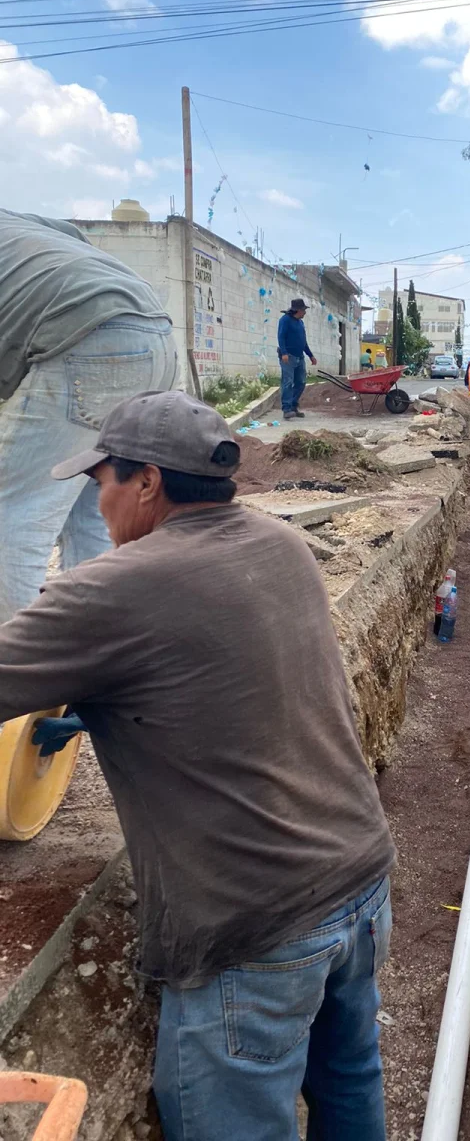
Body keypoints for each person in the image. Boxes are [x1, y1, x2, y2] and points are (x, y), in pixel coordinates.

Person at [0, 391, 396, 1141]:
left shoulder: (112, 590)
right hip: (362, 881)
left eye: (101, 481)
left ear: (146, 481)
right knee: (349, 1080)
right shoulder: (281, 545)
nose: (98, 500)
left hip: (256, 930)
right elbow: (229, 678)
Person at [0, 208, 177, 623]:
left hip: (84, 340)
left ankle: (17, 672)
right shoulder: (17, 223)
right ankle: (92, 649)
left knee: (13, 522)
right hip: (153, 332)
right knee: (91, 511)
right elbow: (71, 234)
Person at [277, 297, 317, 420]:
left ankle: (293, 405)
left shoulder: (300, 323)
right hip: (288, 357)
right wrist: (284, 352)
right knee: (288, 382)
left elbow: (303, 341)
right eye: (303, 310)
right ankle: (286, 409)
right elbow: (281, 336)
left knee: (301, 382)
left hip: (300, 357)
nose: (305, 312)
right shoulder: (285, 320)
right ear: (297, 310)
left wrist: (310, 355)